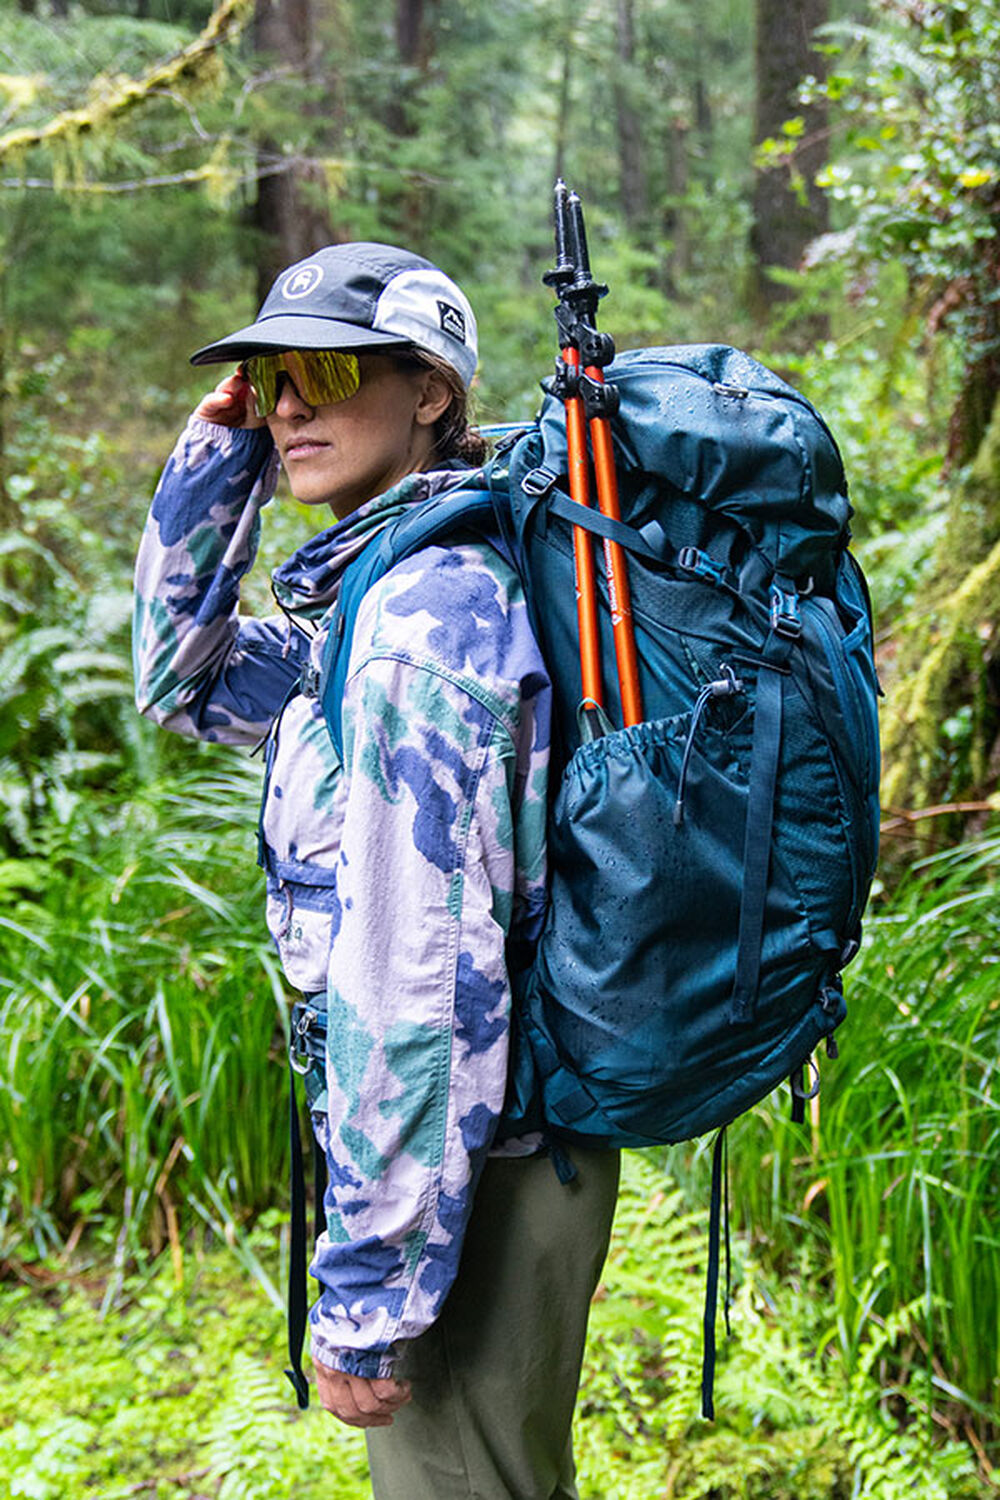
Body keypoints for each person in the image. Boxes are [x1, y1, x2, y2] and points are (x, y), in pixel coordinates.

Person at [133, 242, 620, 1500]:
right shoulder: (369, 599)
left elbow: (420, 980)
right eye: (272, 379)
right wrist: (219, 456)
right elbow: (185, 683)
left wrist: (371, 1290)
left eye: (330, 372)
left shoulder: (420, 625)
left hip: (477, 1169)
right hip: (461, 1162)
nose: (290, 403)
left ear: (432, 392)